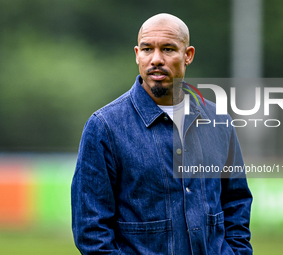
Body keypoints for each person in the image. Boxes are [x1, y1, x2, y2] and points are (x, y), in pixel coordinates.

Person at [71, 13, 253, 255]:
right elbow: (91, 233)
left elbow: (236, 204)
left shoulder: (219, 121)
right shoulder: (104, 127)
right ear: (137, 54)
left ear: (187, 55)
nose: (156, 59)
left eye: (167, 49)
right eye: (147, 49)